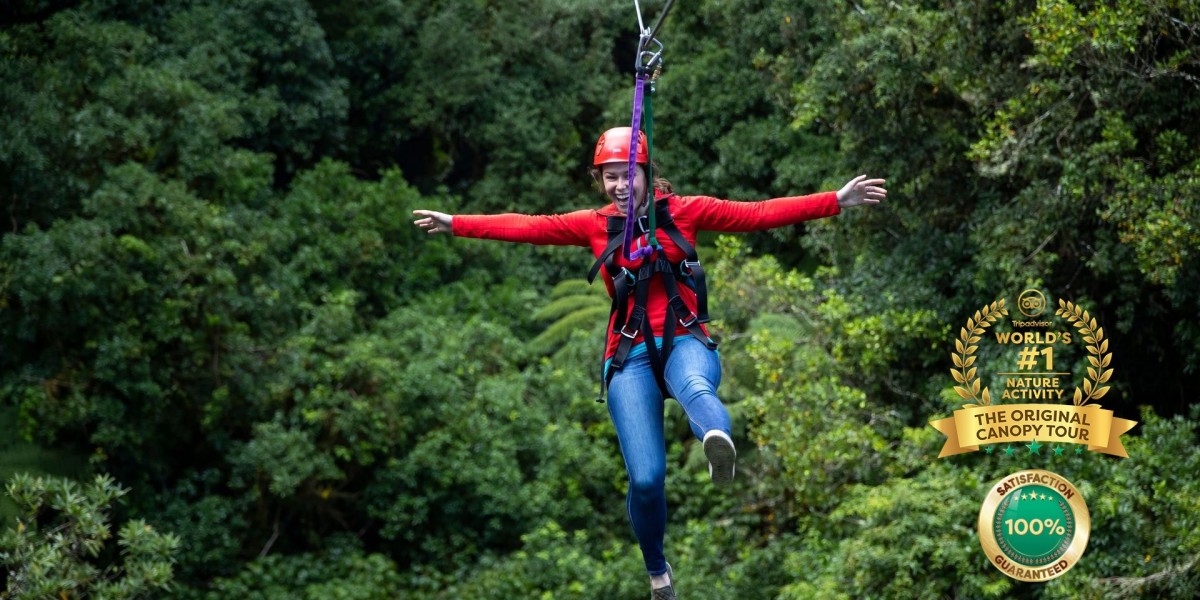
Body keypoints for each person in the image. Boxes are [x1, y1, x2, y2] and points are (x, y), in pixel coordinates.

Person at [413, 127, 885, 599]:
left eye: (628, 176)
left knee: (697, 388)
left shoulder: (684, 211)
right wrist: (456, 222)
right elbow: (527, 226)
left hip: (685, 339)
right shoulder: (593, 224)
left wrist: (834, 201)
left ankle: (716, 442)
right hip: (629, 355)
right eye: (610, 178)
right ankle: (658, 573)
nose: (619, 186)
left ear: (647, 173)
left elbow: (757, 214)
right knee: (645, 479)